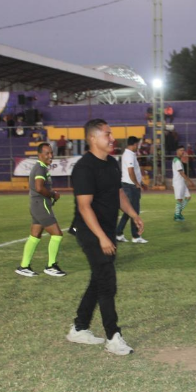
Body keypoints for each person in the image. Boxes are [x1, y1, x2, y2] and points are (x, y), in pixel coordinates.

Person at [66, 118, 143, 356]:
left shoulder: (111, 163)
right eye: (107, 135)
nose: (112, 138)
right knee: (107, 281)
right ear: (92, 138)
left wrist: (133, 214)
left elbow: (118, 192)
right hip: (89, 231)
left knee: (99, 279)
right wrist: (102, 237)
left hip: (106, 231)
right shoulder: (84, 168)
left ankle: (79, 327)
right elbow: (84, 207)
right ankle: (113, 336)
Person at [15, 143, 67, 277]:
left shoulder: (41, 167)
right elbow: (39, 188)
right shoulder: (40, 168)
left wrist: (51, 193)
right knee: (57, 234)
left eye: (51, 153)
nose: (50, 156)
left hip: (36, 205)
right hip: (41, 205)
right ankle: (51, 266)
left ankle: (24, 266)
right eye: (47, 153)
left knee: (35, 236)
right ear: (39, 155)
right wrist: (53, 194)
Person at [116, 136, 148, 244]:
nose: (137, 146)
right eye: (137, 144)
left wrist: (141, 182)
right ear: (134, 144)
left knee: (128, 211)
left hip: (129, 185)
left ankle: (118, 233)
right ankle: (135, 236)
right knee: (134, 211)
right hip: (130, 186)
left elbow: (134, 171)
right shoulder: (129, 155)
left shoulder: (129, 154)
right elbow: (131, 171)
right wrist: (137, 184)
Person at [172, 146, 195, 222]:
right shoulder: (177, 161)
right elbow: (181, 173)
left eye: (183, 150)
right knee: (179, 199)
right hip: (178, 182)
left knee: (188, 197)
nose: (182, 152)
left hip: (181, 182)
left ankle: (178, 212)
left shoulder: (178, 160)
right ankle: (177, 215)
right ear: (177, 151)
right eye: (181, 150)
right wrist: (189, 181)